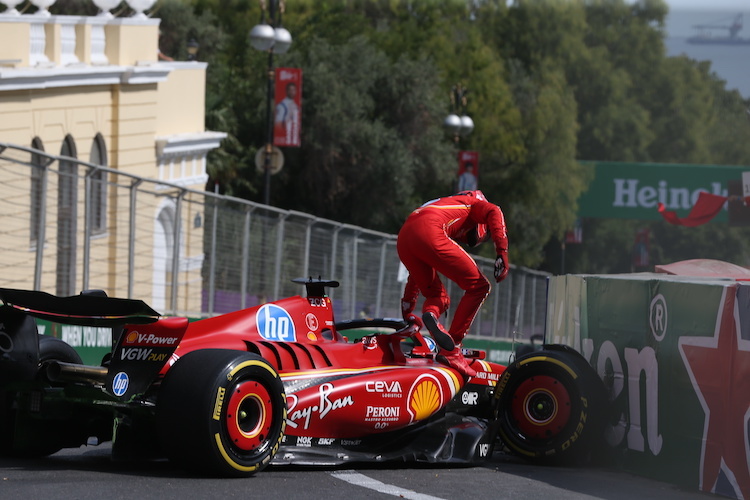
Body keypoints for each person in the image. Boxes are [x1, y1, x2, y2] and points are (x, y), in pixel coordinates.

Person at [397, 190, 509, 377]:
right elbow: (494, 211)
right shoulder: (473, 203)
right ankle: (452, 349)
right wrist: (502, 251)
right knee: (479, 286)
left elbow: (415, 276)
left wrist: (408, 306)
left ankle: (431, 314)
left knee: (437, 296)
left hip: (404, 238)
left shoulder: (442, 206)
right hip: (431, 230)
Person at [274, 82, 300, 146]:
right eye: (290, 90)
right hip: (285, 138)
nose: (292, 92)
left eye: (293, 90)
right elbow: (278, 125)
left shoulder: (295, 106)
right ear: (287, 91)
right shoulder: (282, 106)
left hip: (293, 137)